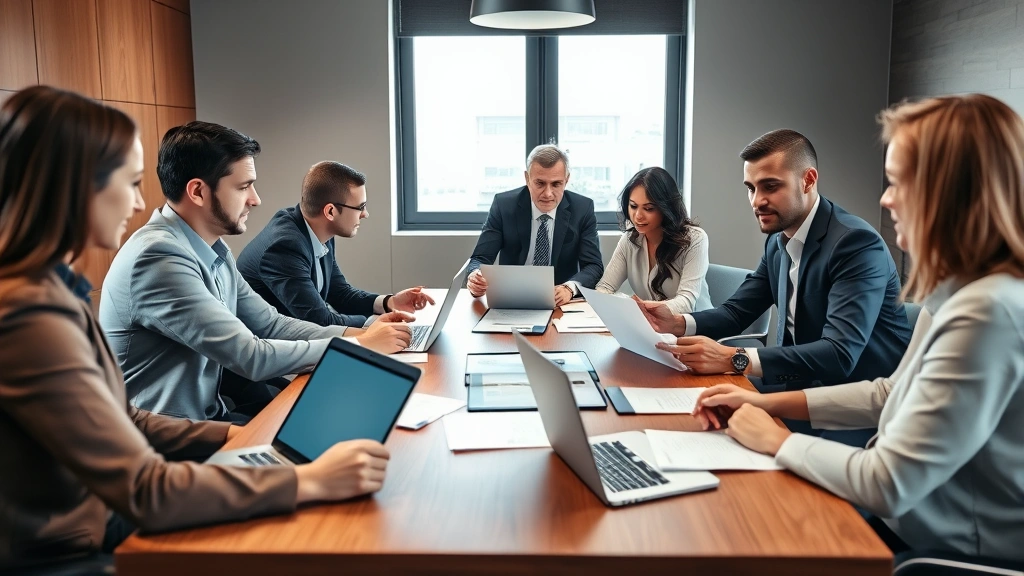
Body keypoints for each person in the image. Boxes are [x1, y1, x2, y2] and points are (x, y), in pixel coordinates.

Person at [0, 86, 391, 571]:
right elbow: (146, 490)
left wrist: (227, 438)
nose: (139, 199)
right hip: (75, 547)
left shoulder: (56, 291)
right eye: (129, 181)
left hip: (128, 486)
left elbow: (125, 415)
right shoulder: (33, 315)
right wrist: (308, 481)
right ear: (75, 189)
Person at [692, 94, 1024, 560]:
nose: (885, 198)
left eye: (899, 181)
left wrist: (780, 440)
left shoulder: (988, 313)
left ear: (955, 191)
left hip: (946, 554)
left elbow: (887, 484)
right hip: (915, 522)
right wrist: (757, 399)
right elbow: (889, 393)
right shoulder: (956, 294)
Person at [100, 122, 413, 423]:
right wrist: (359, 346)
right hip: (166, 444)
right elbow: (250, 355)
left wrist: (361, 335)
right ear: (197, 191)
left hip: (209, 417)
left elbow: (269, 324)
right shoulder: (158, 258)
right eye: (243, 186)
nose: (256, 199)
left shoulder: (213, 249)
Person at [639, 130, 911, 446]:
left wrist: (733, 357)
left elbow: (839, 354)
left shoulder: (855, 244)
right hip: (796, 387)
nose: (757, 201)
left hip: (852, 408)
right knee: (692, 421)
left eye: (770, 186)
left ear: (808, 180)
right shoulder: (777, 242)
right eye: (751, 188)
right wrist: (678, 323)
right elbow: (737, 311)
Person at [238, 161, 434, 327]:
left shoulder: (317, 230)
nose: (365, 214)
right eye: (361, 207)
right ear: (330, 212)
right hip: (268, 362)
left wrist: (390, 303)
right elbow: (319, 320)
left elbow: (339, 293)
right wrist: (378, 323)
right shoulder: (284, 247)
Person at [467, 144, 604, 307]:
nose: (547, 193)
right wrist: (475, 277)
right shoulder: (504, 205)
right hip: (512, 297)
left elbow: (594, 266)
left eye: (556, 184)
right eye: (540, 183)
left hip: (560, 302)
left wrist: (570, 288)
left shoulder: (582, 209)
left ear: (566, 180)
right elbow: (479, 258)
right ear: (527, 178)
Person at [595, 167, 712, 314]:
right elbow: (604, 287)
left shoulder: (695, 239)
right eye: (633, 206)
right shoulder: (630, 240)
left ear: (666, 208)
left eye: (648, 208)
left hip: (695, 327)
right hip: (653, 328)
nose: (638, 216)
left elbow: (686, 303)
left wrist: (640, 307)